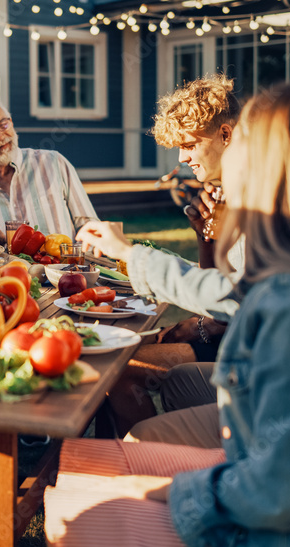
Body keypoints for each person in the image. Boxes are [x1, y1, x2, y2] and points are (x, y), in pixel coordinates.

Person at [44, 82, 290, 547]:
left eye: (242, 144)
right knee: (91, 465)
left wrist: (176, 493)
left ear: (261, 164)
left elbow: (280, 491)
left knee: (80, 517)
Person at [105, 75, 241, 435]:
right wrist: (206, 237)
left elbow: (232, 303)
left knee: (120, 365)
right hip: (231, 342)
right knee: (122, 357)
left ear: (226, 135)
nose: (181, 157)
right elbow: (218, 280)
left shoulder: (255, 198)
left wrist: (195, 327)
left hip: (245, 361)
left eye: (191, 144)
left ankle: (145, 463)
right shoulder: (225, 194)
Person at [0, 101, 97, 244]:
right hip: (4, 272)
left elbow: (90, 227)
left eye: (3, 125)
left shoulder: (54, 163)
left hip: (64, 270)